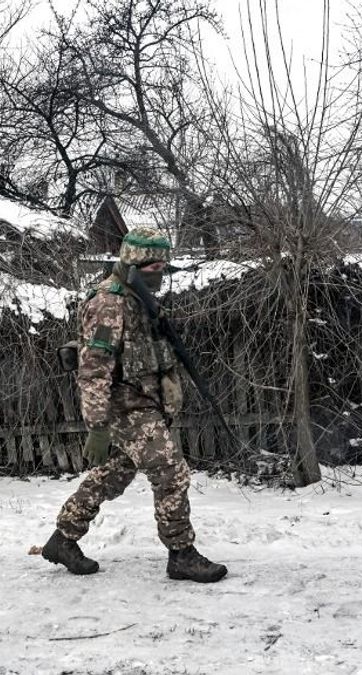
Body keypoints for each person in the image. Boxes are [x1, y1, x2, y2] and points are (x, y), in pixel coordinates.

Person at [38, 227, 228, 583]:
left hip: (146, 403)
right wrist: (96, 427)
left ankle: (62, 539)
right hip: (127, 408)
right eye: (155, 267)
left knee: (112, 476)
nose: (160, 274)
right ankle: (181, 554)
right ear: (136, 263)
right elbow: (94, 370)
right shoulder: (108, 304)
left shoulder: (138, 297)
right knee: (171, 472)